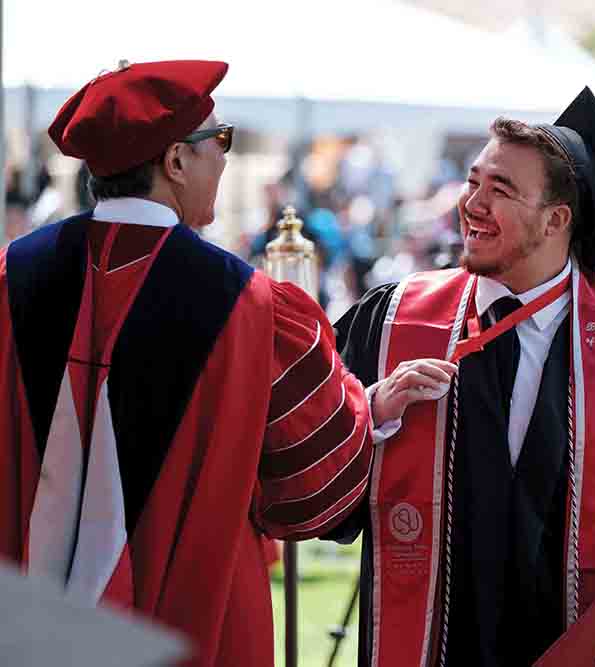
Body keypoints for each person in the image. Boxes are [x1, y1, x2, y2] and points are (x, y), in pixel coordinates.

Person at [328, 88, 595, 667]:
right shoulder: (392, 321)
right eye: (473, 183)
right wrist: (371, 412)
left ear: (556, 220)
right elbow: (302, 458)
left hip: (571, 645)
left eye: (501, 190)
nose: (471, 204)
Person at [0, 60, 379, 667]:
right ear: (175, 162)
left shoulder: (12, 274)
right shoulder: (247, 302)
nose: (225, 159)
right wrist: (370, 405)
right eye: (219, 140)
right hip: (195, 622)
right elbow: (310, 485)